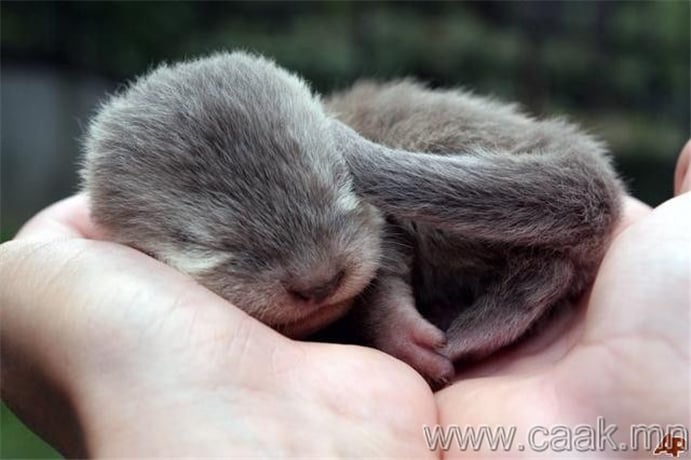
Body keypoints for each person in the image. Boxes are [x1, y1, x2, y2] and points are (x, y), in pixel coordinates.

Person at [1, 142, 689, 457]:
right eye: (225, 244)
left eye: (330, 206)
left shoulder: (330, 139)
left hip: (495, 180)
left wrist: (385, 308)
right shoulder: (133, 217)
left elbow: (375, 231)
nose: (316, 273)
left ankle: (538, 267)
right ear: (130, 239)